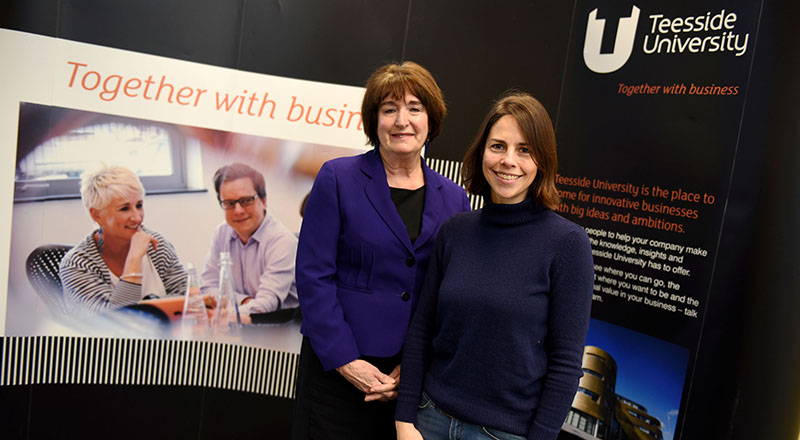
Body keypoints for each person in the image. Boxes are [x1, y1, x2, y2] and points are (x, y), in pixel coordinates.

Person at [394, 92, 594, 440]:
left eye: (525, 150)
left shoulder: (567, 244)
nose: (508, 161)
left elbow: (565, 364)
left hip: (502, 434)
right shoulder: (455, 231)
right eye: (498, 146)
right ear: (482, 152)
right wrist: (404, 419)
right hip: (429, 420)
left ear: (542, 161)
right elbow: (422, 330)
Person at [292, 61, 470, 439]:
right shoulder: (338, 178)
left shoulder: (454, 197)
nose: (401, 120)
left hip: (407, 384)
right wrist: (346, 361)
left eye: (414, 108)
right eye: (389, 109)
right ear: (374, 121)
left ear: (431, 120)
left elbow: (447, 293)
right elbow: (312, 276)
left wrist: (414, 366)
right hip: (335, 372)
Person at [60, 165, 187, 313]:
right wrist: (134, 258)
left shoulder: (156, 244)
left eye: (139, 205)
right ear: (97, 215)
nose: (137, 217)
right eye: (124, 209)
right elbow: (117, 324)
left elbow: (187, 299)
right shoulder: (76, 265)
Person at [201, 163, 299, 320]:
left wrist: (225, 311)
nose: (238, 210)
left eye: (246, 201)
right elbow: (207, 288)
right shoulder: (222, 233)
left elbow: (266, 304)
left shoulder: (282, 242)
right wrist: (244, 301)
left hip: (279, 329)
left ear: (264, 201)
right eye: (230, 203)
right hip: (237, 324)